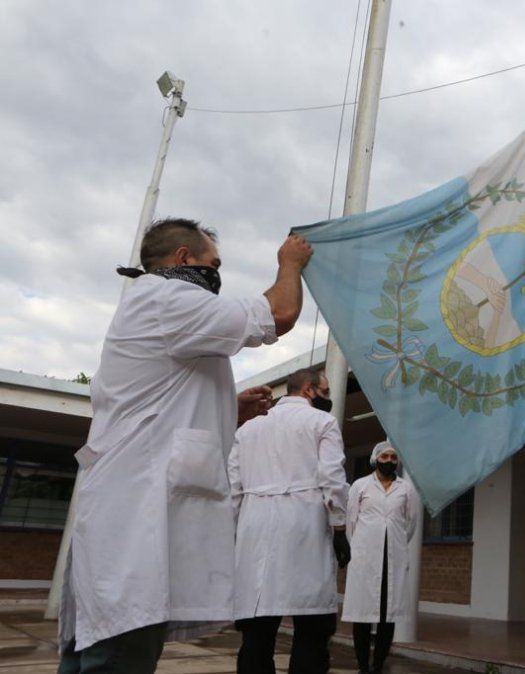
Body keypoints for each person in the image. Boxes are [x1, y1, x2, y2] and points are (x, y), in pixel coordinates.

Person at [57, 218, 312, 674]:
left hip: (124, 510)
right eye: (213, 263)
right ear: (183, 259)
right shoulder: (168, 296)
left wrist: (227, 410)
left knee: (99, 651)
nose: (217, 273)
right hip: (137, 518)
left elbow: (156, 405)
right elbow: (278, 314)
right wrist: (289, 263)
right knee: (118, 654)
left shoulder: (150, 306)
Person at [228, 368, 351, 674]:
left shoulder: (246, 430)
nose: (328, 397)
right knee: (312, 628)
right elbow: (333, 479)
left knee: (257, 628)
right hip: (304, 524)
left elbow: (232, 490)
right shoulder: (323, 422)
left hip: (254, 525)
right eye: (325, 390)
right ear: (309, 390)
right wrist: (339, 528)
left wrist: (233, 535)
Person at [341, 441, 419, 674]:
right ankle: (363, 665)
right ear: (376, 459)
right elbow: (350, 522)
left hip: (392, 558)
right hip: (365, 557)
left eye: (394, 458)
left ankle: (378, 665)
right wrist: (360, 548)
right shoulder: (360, 486)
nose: (389, 461)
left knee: (388, 615)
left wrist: (395, 542)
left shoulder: (406, 489)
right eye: (385, 457)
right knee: (362, 614)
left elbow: (411, 524)